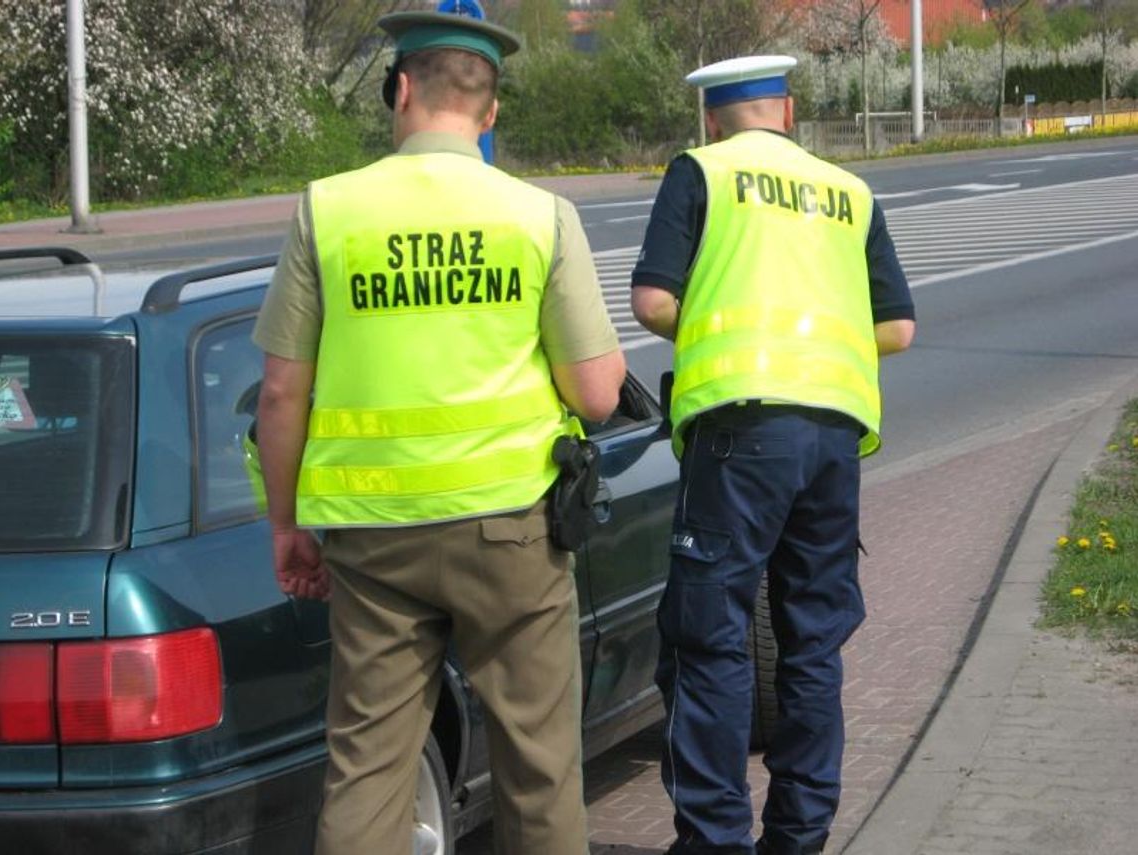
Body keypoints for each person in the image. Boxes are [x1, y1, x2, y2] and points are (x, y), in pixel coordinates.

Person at [251, 12, 626, 855]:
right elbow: (599, 394)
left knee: (369, 769)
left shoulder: (328, 211)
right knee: (538, 765)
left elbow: (280, 394)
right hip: (512, 534)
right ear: (489, 113)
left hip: (373, 540)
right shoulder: (539, 215)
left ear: (404, 89)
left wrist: (285, 524)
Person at [631, 56, 916, 855]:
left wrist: (737, 337)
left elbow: (653, 298)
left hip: (740, 435)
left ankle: (717, 839)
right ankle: (799, 837)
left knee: (710, 638)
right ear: (787, 109)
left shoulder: (704, 173)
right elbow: (897, 328)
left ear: (712, 118)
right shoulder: (848, 192)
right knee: (812, 641)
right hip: (834, 440)